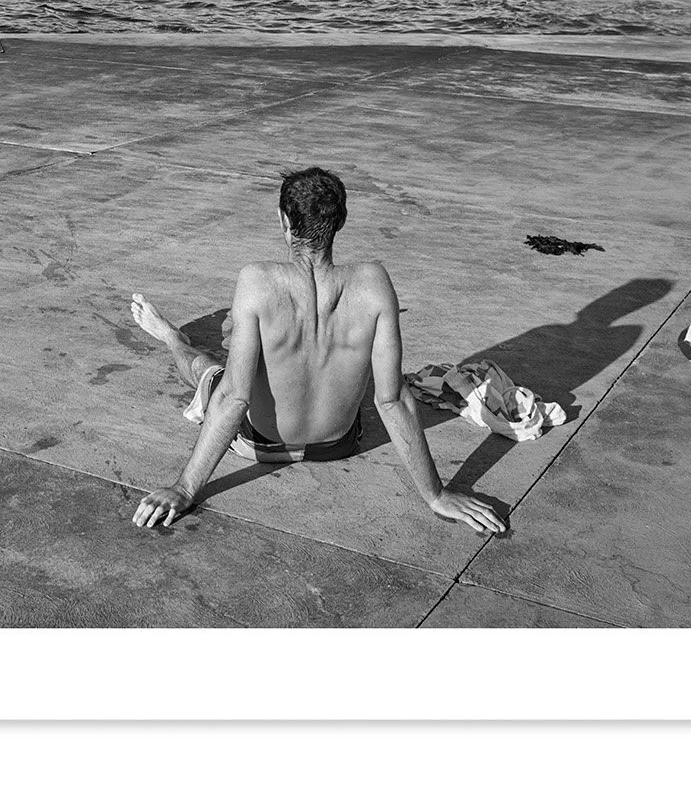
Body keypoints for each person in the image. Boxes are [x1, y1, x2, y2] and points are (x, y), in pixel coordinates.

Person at [128, 167, 506, 535]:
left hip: (258, 445)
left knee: (207, 371)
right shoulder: (374, 284)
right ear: (340, 222)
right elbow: (392, 400)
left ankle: (169, 335)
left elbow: (233, 397)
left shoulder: (257, 281)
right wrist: (435, 494)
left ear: (284, 222)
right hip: (337, 445)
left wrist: (184, 489)